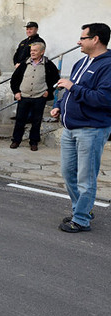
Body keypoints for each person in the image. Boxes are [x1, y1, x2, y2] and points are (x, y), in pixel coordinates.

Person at [51, 23, 111, 233]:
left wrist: (73, 87)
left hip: (91, 129)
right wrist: (58, 106)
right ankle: (82, 209)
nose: (79, 41)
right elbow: (67, 91)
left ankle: (82, 219)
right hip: (70, 128)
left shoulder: (108, 65)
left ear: (96, 39)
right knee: (68, 173)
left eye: (83, 38)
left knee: (86, 177)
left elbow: (104, 99)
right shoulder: (81, 62)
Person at [10, 42, 59, 151]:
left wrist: (49, 91)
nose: (32, 52)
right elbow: (14, 79)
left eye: (35, 50)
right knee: (20, 120)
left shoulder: (48, 64)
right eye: (31, 50)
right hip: (23, 97)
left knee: (36, 121)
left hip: (39, 97)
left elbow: (56, 79)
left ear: (42, 52)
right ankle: (16, 140)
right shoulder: (24, 63)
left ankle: (34, 142)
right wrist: (16, 92)